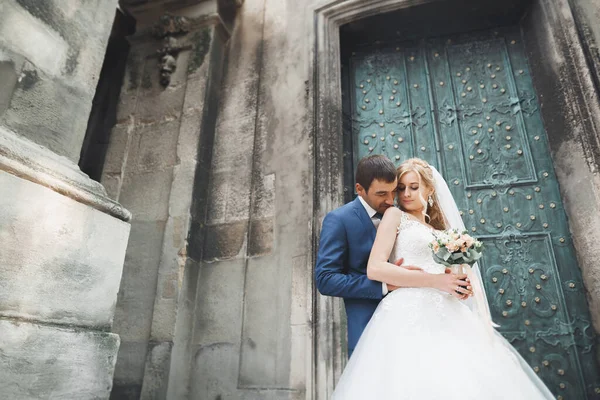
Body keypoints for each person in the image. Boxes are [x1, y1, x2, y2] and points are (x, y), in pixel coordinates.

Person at [331, 158, 554, 399]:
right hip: (407, 311)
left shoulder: (438, 231)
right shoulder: (394, 216)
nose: (405, 194)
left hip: (446, 310)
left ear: (429, 189)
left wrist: (457, 286)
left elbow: (446, 275)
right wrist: (436, 281)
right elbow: (375, 269)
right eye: (401, 188)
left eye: (413, 187)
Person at [315, 155, 471, 357]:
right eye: (382, 194)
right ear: (360, 189)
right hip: (373, 322)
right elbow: (326, 279)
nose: (391, 200)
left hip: (431, 314)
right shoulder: (339, 220)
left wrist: (453, 283)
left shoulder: (416, 221)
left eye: (393, 191)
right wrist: (386, 284)